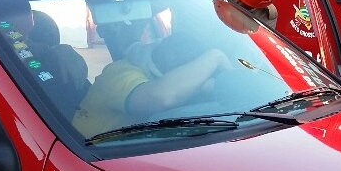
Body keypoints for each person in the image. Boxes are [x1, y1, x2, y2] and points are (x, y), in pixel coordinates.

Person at [72, 32, 231, 137]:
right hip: (85, 158)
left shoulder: (156, 72)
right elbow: (162, 98)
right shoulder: (119, 74)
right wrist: (216, 57)